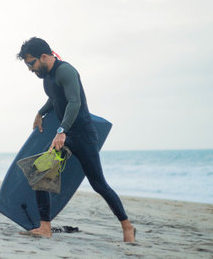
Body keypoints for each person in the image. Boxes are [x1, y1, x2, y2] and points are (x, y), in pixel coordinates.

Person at [16, 37, 135, 242]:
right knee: (40, 172)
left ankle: (127, 226)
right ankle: (45, 227)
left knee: (99, 184)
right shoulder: (47, 77)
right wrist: (40, 112)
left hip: (82, 135)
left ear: (44, 56)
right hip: (65, 134)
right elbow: (54, 99)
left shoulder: (66, 71)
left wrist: (62, 130)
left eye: (31, 63)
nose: (30, 69)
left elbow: (74, 102)